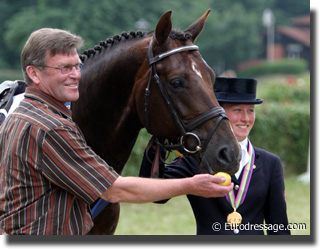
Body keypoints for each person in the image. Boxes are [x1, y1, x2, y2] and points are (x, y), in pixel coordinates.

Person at [0, 28, 233, 235]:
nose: (75, 75)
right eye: (64, 68)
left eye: (77, 65)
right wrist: (191, 185)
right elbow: (114, 190)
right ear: (33, 73)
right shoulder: (50, 128)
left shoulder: (23, 115)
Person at [140, 77, 290, 235]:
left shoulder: (270, 163)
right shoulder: (194, 159)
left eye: (250, 111)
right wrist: (159, 138)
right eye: (238, 110)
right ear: (219, 113)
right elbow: (156, 193)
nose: (246, 119)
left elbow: (279, 227)